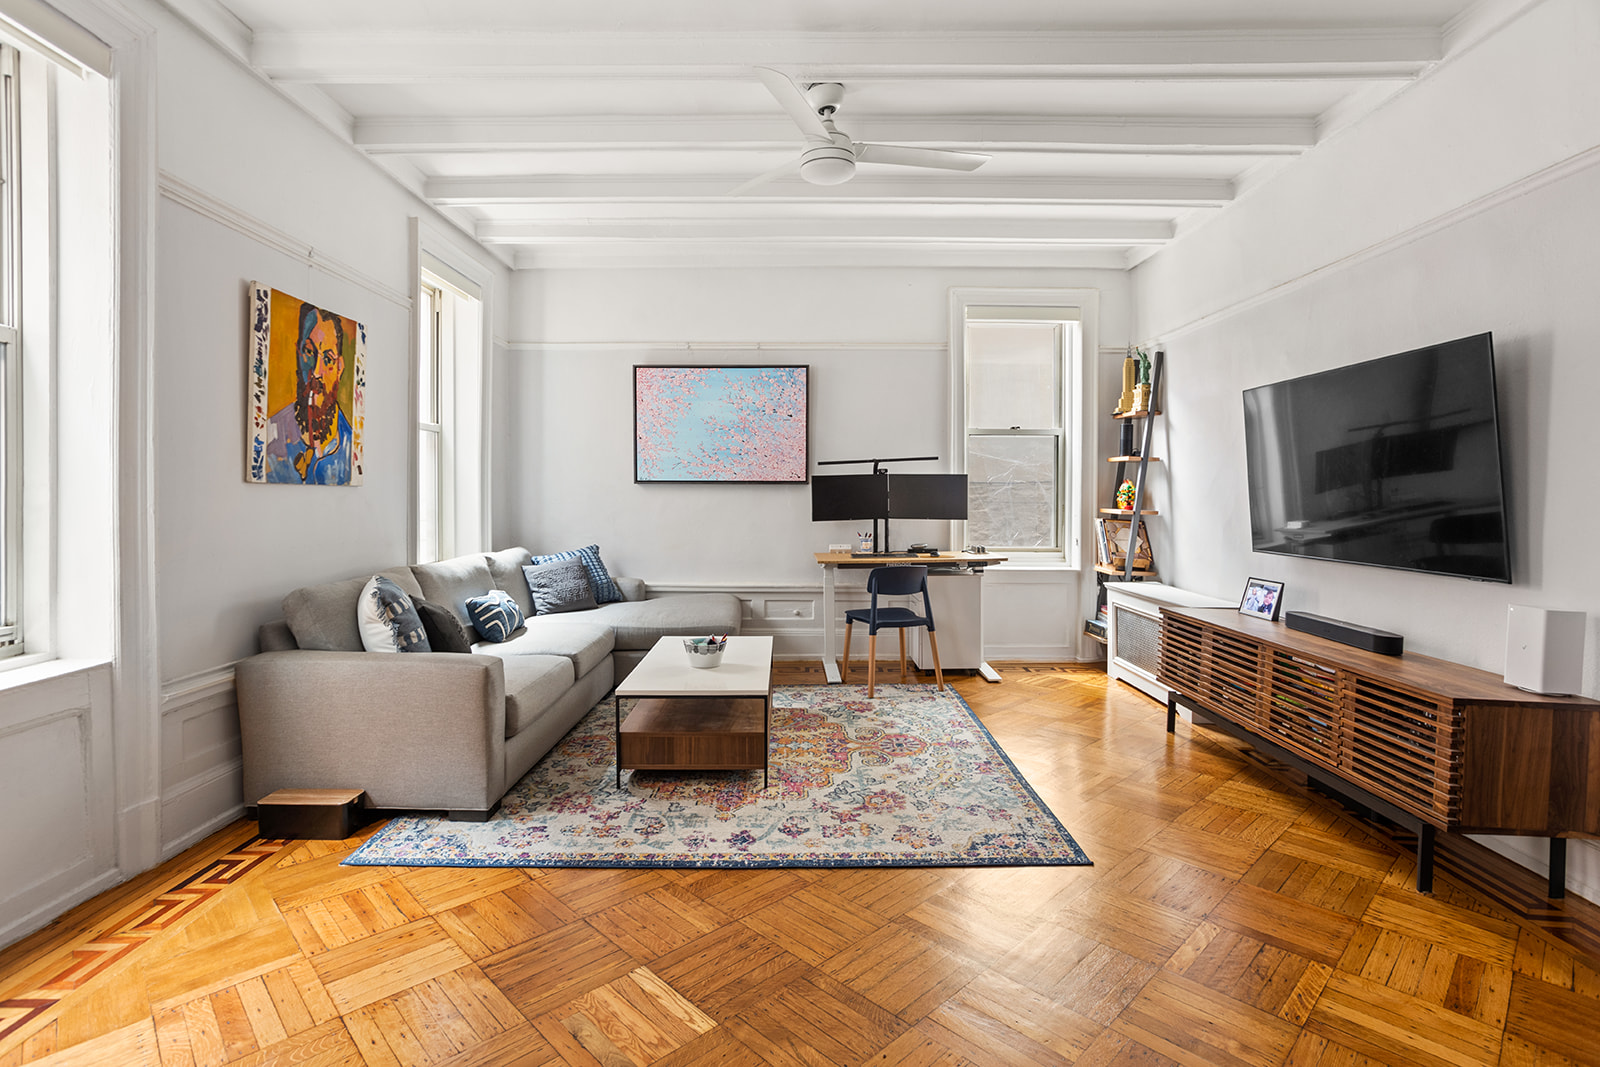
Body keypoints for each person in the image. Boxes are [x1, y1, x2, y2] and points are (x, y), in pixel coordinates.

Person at [264, 302, 353, 484]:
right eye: (309, 352)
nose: (317, 372)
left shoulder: (351, 446)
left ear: (339, 368)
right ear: (298, 353)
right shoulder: (269, 437)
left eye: (328, 359)